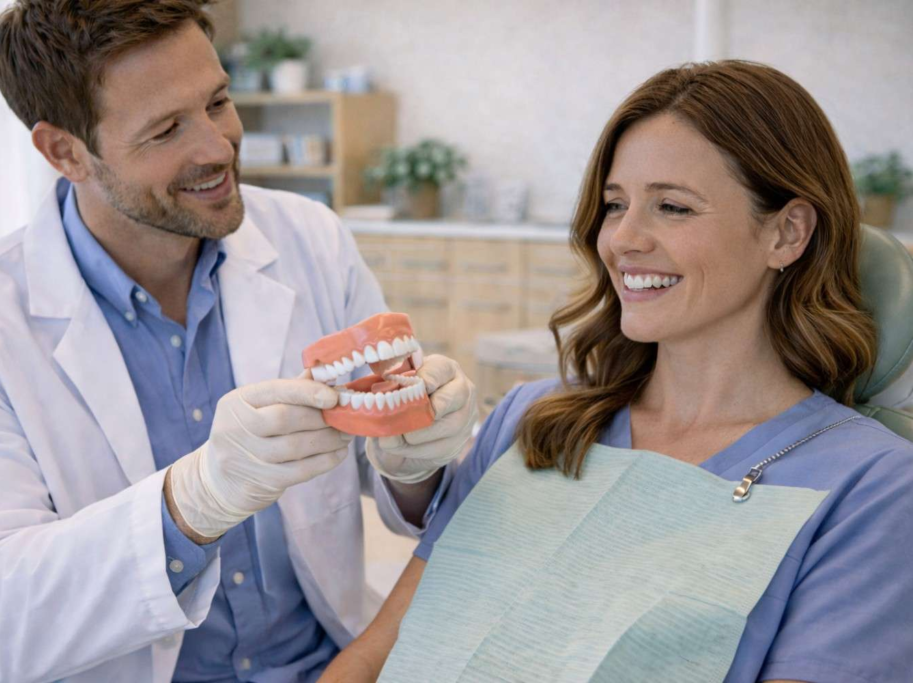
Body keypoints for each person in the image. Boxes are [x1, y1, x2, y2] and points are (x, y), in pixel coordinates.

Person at [0, 1, 476, 681]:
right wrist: (188, 506)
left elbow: (396, 484)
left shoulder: (309, 237)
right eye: (166, 129)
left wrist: (415, 462)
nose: (217, 146)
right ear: (64, 151)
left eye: (218, 101)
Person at [322, 60, 913, 683]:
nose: (622, 240)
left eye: (673, 207)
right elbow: (374, 655)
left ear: (787, 233)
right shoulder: (533, 420)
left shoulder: (872, 489)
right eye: (614, 204)